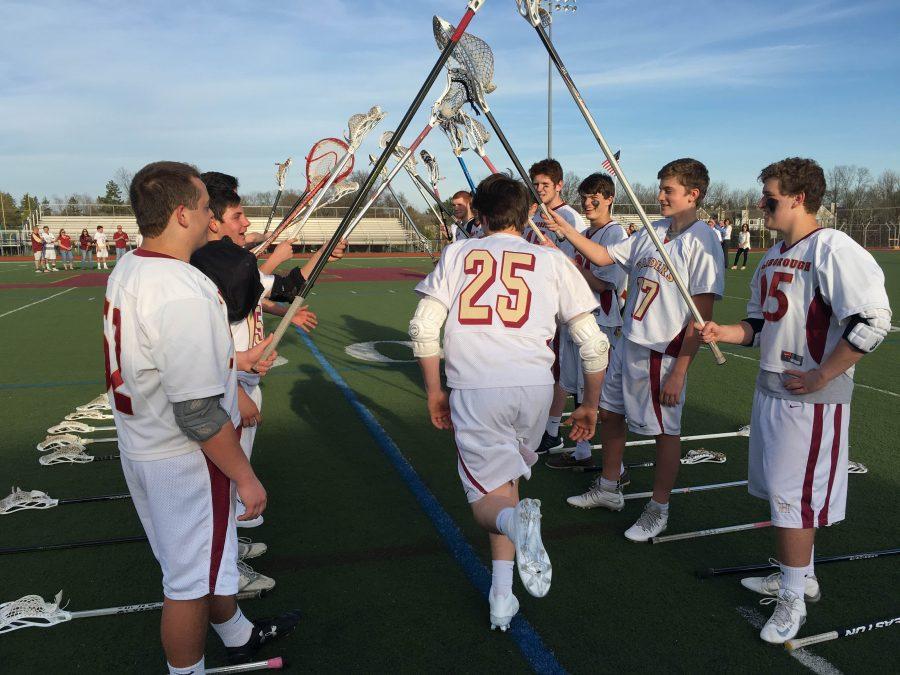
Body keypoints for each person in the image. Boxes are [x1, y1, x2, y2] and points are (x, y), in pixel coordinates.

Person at [106, 161, 299, 674]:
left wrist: (233, 362)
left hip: (143, 442)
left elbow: (156, 361)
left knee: (198, 565)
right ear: (181, 214)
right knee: (188, 583)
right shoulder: (181, 289)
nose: (212, 214)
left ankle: (237, 634)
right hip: (182, 459)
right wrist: (245, 475)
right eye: (205, 205)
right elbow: (196, 413)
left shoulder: (131, 267)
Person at [698, 158, 890, 644]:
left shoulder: (833, 247)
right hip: (770, 390)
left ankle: (791, 600)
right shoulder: (771, 255)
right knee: (781, 496)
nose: (762, 205)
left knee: (793, 502)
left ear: (798, 197)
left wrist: (823, 373)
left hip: (810, 400)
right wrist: (725, 331)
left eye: (770, 197)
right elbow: (760, 327)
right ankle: (798, 575)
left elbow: (873, 321)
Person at [410, 174, 609, 630]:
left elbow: (423, 330)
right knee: (505, 486)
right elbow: (593, 345)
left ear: (478, 214)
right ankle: (502, 595)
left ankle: (518, 527)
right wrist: (589, 404)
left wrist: (435, 392)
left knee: (488, 502)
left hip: (479, 387)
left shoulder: (459, 252)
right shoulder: (552, 260)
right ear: (528, 215)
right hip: (536, 389)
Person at [545, 158, 724, 541]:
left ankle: (658, 508)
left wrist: (681, 369)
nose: (659, 196)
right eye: (660, 188)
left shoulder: (702, 239)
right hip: (629, 341)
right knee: (609, 415)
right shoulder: (653, 230)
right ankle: (609, 488)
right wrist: (565, 231)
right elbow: (605, 258)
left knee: (664, 432)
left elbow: (701, 314)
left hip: (664, 351)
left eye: (668, 190)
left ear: (692, 195)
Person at [192, 172, 337, 531]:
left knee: (230, 478)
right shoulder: (210, 268)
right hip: (226, 386)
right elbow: (206, 341)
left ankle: (230, 552)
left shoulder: (228, 262)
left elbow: (284, 289)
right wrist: (236, 389)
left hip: (240, 378)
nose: (246, 223)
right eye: (238, 216)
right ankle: (227, 565)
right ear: (213, 221)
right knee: (222, 481)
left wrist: (321, 253)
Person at [546, 172, 627, 471]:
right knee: (580, 389)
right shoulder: (587, 233)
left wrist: (568, 265)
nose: (588, 203)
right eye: (584, 197)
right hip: (577, 319)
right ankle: (582, 452)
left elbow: (605, 284)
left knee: (601, 395)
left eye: (595, 197)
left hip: (601, 320)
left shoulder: (615, 234)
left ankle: (615, 470)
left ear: (609, 199)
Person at [524, 159, 589, 457]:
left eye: (545, 185)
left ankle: (551, 430)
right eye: (535, 185)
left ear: (560, 185)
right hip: (533, 302)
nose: (539, 190)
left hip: (557, 305)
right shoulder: (535, 216)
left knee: (558, 369)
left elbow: (571, 265)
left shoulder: (570, 218)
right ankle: (537, 424)